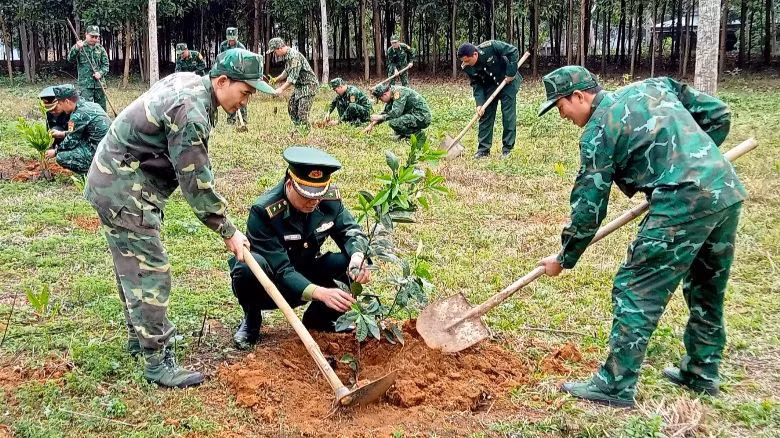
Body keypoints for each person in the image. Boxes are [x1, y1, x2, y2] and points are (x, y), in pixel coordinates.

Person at [536, 66, 747, 408]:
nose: (562, 116)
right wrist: (698, 160)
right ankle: (702, 371)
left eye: (561, 107)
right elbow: (718, 113)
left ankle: (614, 385)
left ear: (579, 96)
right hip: (724, 189)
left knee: (636, 288)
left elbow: (588, 209)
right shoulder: (653, 86)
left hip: (682, 202)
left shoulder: (597, 133)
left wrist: (564, 257)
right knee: (707, 284)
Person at [85, 49, 272, 388]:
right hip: (124, 188)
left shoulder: (192, 84)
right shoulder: (192, 112)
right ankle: (157, 361)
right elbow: (196, 183)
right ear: (223, 81)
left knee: (132, 266)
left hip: (113, 178)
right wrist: (228, 230)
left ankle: (139, 338)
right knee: (150, 271)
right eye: (245, 92)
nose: (246, 102)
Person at [228, 146, 372, 349]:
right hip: (273, 284)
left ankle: (319, 319)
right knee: (247, 267)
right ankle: (252, 320)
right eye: (306, 195)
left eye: (318, 195)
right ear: (290, 185)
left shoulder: (328, 201)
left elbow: (350, 231)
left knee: (346, 262)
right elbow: (281, 269)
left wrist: (358, 257)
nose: (314, 201)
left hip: (308, 268)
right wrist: (321, 292)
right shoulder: (264, 211)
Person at [457, 41, 521, 159]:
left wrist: (511, 72)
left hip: (508, 82)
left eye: (467, 60)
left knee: (508, 116)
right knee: (485, 116)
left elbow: (513, 51)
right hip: (489, 87)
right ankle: (483, 150)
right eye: (463, 61)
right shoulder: (468, 67)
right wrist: (479, 104)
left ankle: (507, 149)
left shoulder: (491, 47)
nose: (465, 63)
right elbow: (476, 84)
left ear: (475, 54)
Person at [39, 84, 110, 174]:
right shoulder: (90, 105)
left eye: (60, 104)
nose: (61, 107)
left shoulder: (78, 115)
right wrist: (61, 134)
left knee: (61, 157)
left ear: (67, 101)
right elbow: (77, 132)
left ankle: (92, 172)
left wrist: (55, 152)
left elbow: (71, 141)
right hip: (107, 147)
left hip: (101, 153)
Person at [266, 37, 319, 130]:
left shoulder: (294, 57)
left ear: (279, 48)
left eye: (274, 52)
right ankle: (299, 129)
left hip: (308, 86)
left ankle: (305, 133)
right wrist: (275, 80)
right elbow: (286, 72)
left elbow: (291, 79)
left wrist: (280, 90)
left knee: (302, 113)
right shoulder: (287, 56)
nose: (275, 54)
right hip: (300, 87)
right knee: (292, 108)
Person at [364, 84, 431, 139]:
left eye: (381, 99)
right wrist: (371, 125)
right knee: (397, 125)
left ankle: (416, 135)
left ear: (385, 94)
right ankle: (404, 135)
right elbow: (385, 113)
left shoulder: (399, 93)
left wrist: (380, 117)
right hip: (414, 115)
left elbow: (395, 113)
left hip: (422, 117)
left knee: (394, 122)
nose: (382, 101)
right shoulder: (391, 94)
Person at [67, 25, 109, 111]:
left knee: (101, 109)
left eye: (96, 37)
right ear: (86, 34)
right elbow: (70, 59)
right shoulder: (80, 47)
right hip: (85, 85)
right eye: (92, 36)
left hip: (99, 84)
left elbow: (106, 65)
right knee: (85, 109)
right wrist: (77, 48)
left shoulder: (100, 49)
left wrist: (100, 73)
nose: (94, 39)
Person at [218, 27, 249, 125]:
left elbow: (243, 63)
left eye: (233, 39)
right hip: (227, 74)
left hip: (239, 74)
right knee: (229, 97)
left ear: (237, 37)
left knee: (241, 97)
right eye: (229, 39)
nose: (231, 41)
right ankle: (231, 120)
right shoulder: (223, 45)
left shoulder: (241, 47)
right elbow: (221, 59)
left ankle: (243, 120)